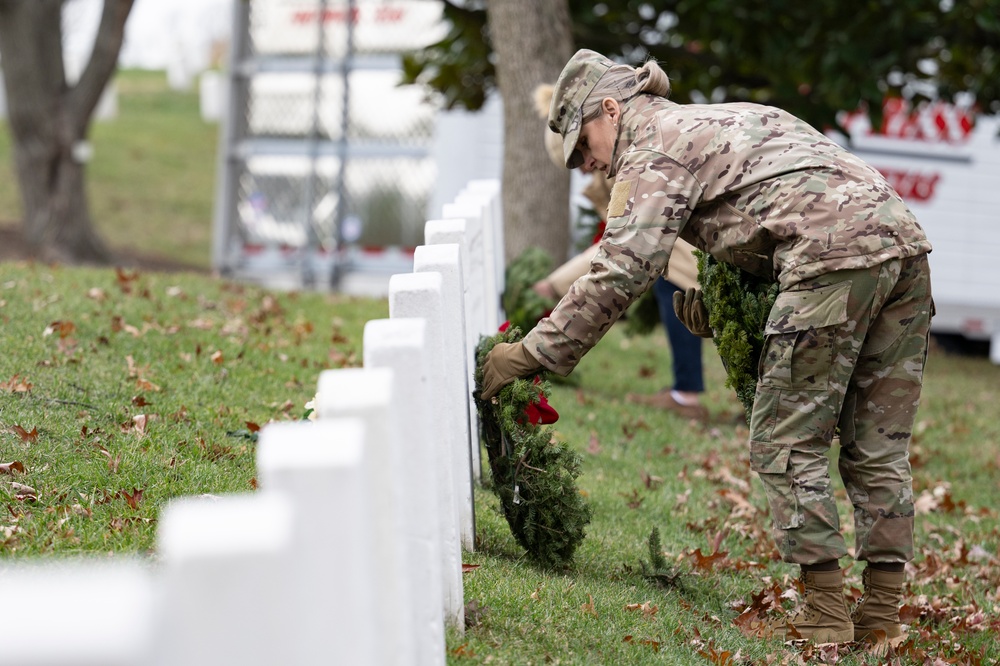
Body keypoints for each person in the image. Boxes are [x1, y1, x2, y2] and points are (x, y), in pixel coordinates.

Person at [482, 49, 934, 646]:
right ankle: (881, 618)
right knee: (877, 441)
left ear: (612, 110)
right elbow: (776, 206)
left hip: (830, 260)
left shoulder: (652, 147)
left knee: (784, 437)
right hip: (904, 251)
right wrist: (725, 309)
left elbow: (621, 270)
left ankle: (826, 618)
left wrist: (531, 354)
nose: (587, 163)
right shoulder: (724, 119)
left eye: (583, 146)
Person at [531, 84, 708, 421]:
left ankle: (687, 396)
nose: (584, 167)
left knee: (676, 292)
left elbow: (623, 246)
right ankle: (686, 391)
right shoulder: (610, 173)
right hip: (675, 257)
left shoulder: (628, 169)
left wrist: (555, 284)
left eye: (582, 153)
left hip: (682, 257)